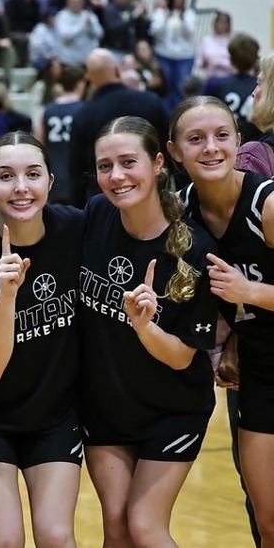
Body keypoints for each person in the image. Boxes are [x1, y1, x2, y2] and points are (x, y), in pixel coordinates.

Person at [80, 115, 218, 546]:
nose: (116, 176)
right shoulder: (97, 213)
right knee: (117, 527)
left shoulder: (194, 250)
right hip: (106, 406)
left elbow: (181, 356)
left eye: (128, 162)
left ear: (158, 163)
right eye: (105, 166)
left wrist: (143, 327)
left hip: (172, 410)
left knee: (144, 524)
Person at [0, 131, 83, 548]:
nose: (20, 188)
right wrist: (8, 296)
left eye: (33, 174)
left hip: (54, 416)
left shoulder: (75, 228)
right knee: (4, 540)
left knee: (55, 535)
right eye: (5, 176)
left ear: (51, 181)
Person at [169, 96, 273, 546]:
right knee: (267, 517)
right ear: (174, 152)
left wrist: (248, 292)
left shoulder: (266, 205)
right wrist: (221, 337)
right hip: (259, 374)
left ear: (238, 141)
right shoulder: (181, 210)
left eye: (221, 136)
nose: (211, 148)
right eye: (195, 139)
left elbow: (238, 291)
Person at [70, 48, 168, 207]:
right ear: (117, 70)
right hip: (154, 199)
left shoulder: (83, 115)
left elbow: (76, 172)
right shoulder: (151, 102)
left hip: (102, 204)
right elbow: (169, 150)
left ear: (89, 78)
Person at [34, 64, 85, 205]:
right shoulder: (85, 109)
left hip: (54, 173)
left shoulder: (47, 110)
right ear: (80, 84)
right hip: (78, 174)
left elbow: (39, 143)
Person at [202, 32, 262, 142]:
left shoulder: (214, 84)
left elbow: (200, 113)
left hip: (222, 143)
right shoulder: (262, 87)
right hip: (256, 144)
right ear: (255, 59)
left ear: (231, 59)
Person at [150, 0, 197, 113]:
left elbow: (190, 33)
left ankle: (179, 114)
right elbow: (155, 32)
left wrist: (182, 17)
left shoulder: (189, 14)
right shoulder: (161, 12)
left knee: (180, 87)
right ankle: (164, 115)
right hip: (164, 55)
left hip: (184, 56)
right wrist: (166, 16)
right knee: (165, 87)